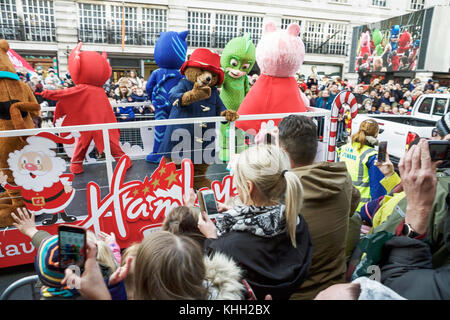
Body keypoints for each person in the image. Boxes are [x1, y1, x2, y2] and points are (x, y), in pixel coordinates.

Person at [197, 144, 313, 300]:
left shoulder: (227, 248)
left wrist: (211, 239)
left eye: (237, 181)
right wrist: (236, 211)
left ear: (249, 187)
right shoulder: (297, 223)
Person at [277, 115, 357, 300]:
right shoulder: (343, 179)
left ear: (283, 152)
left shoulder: (280, 192)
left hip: (295, 295)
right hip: (335, 290)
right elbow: (352, 207)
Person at [377, 139, 450, 299]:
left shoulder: (433, 194)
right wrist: (390, 175)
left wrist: (417, 208)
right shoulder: (424, 188)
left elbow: (380, 242)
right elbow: (399, 194)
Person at [337, 119, 387, 213]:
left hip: (343, 201)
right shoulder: (372, 155)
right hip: (361, 208)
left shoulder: (344, 148)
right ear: (375, 134)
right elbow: (378, 188)